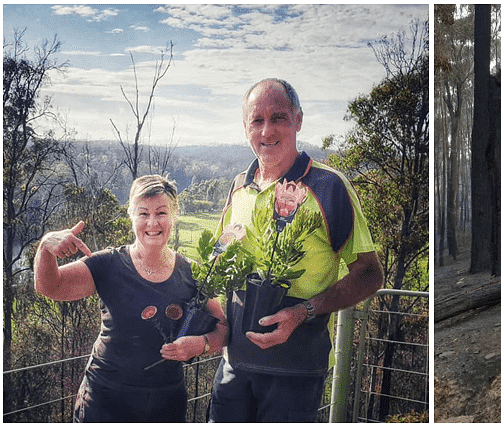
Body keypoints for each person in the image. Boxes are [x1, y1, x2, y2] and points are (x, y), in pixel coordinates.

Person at [208, 78, 384, 422]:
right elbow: (217, 258)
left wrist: (302, 312)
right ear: (245, 127)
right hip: (234, 364)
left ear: (298, 120)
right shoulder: (238, 187)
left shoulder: (329, 186)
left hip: (296, 370)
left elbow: (370, 273)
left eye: (278, 118)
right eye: (257, 120)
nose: (266, 130)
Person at [34, 175, 229, 422]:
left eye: (161, 212)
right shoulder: (108, 264)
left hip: (165, 406)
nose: (152, 222)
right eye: (143, 213)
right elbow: (50, 286)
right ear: (131, 216)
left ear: (175, 215)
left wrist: (202, 344)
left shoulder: (192, 273)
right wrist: (45, 248)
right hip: (104, 403)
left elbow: (223, 328)